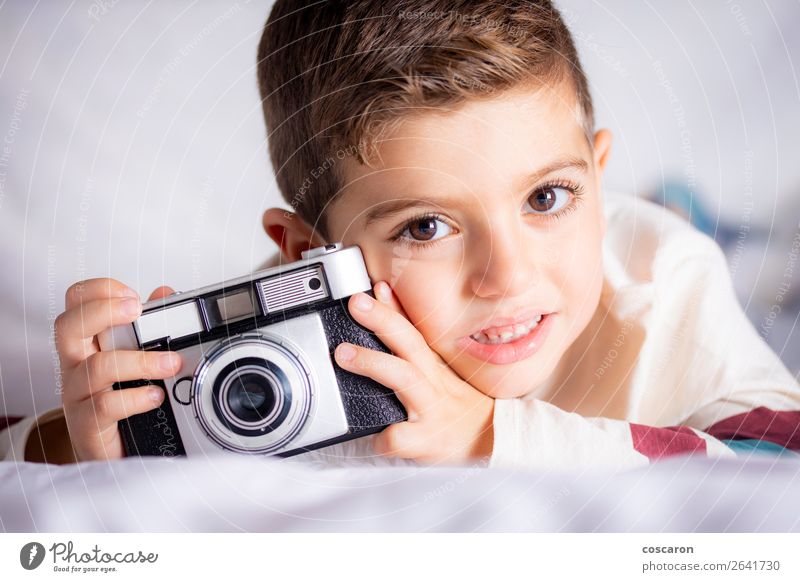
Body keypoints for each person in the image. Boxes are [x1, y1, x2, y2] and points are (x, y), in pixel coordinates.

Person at [2, 0, 799, 470]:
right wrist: (82, 446)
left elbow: (776, 466)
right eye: (427, 225)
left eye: (549, 195)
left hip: (658, 235)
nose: (509, 275)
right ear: (308, 255)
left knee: (715, 242)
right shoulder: (288, 348)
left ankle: (689, 207)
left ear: (597, 172)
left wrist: (491, 435)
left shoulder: (665, 286)